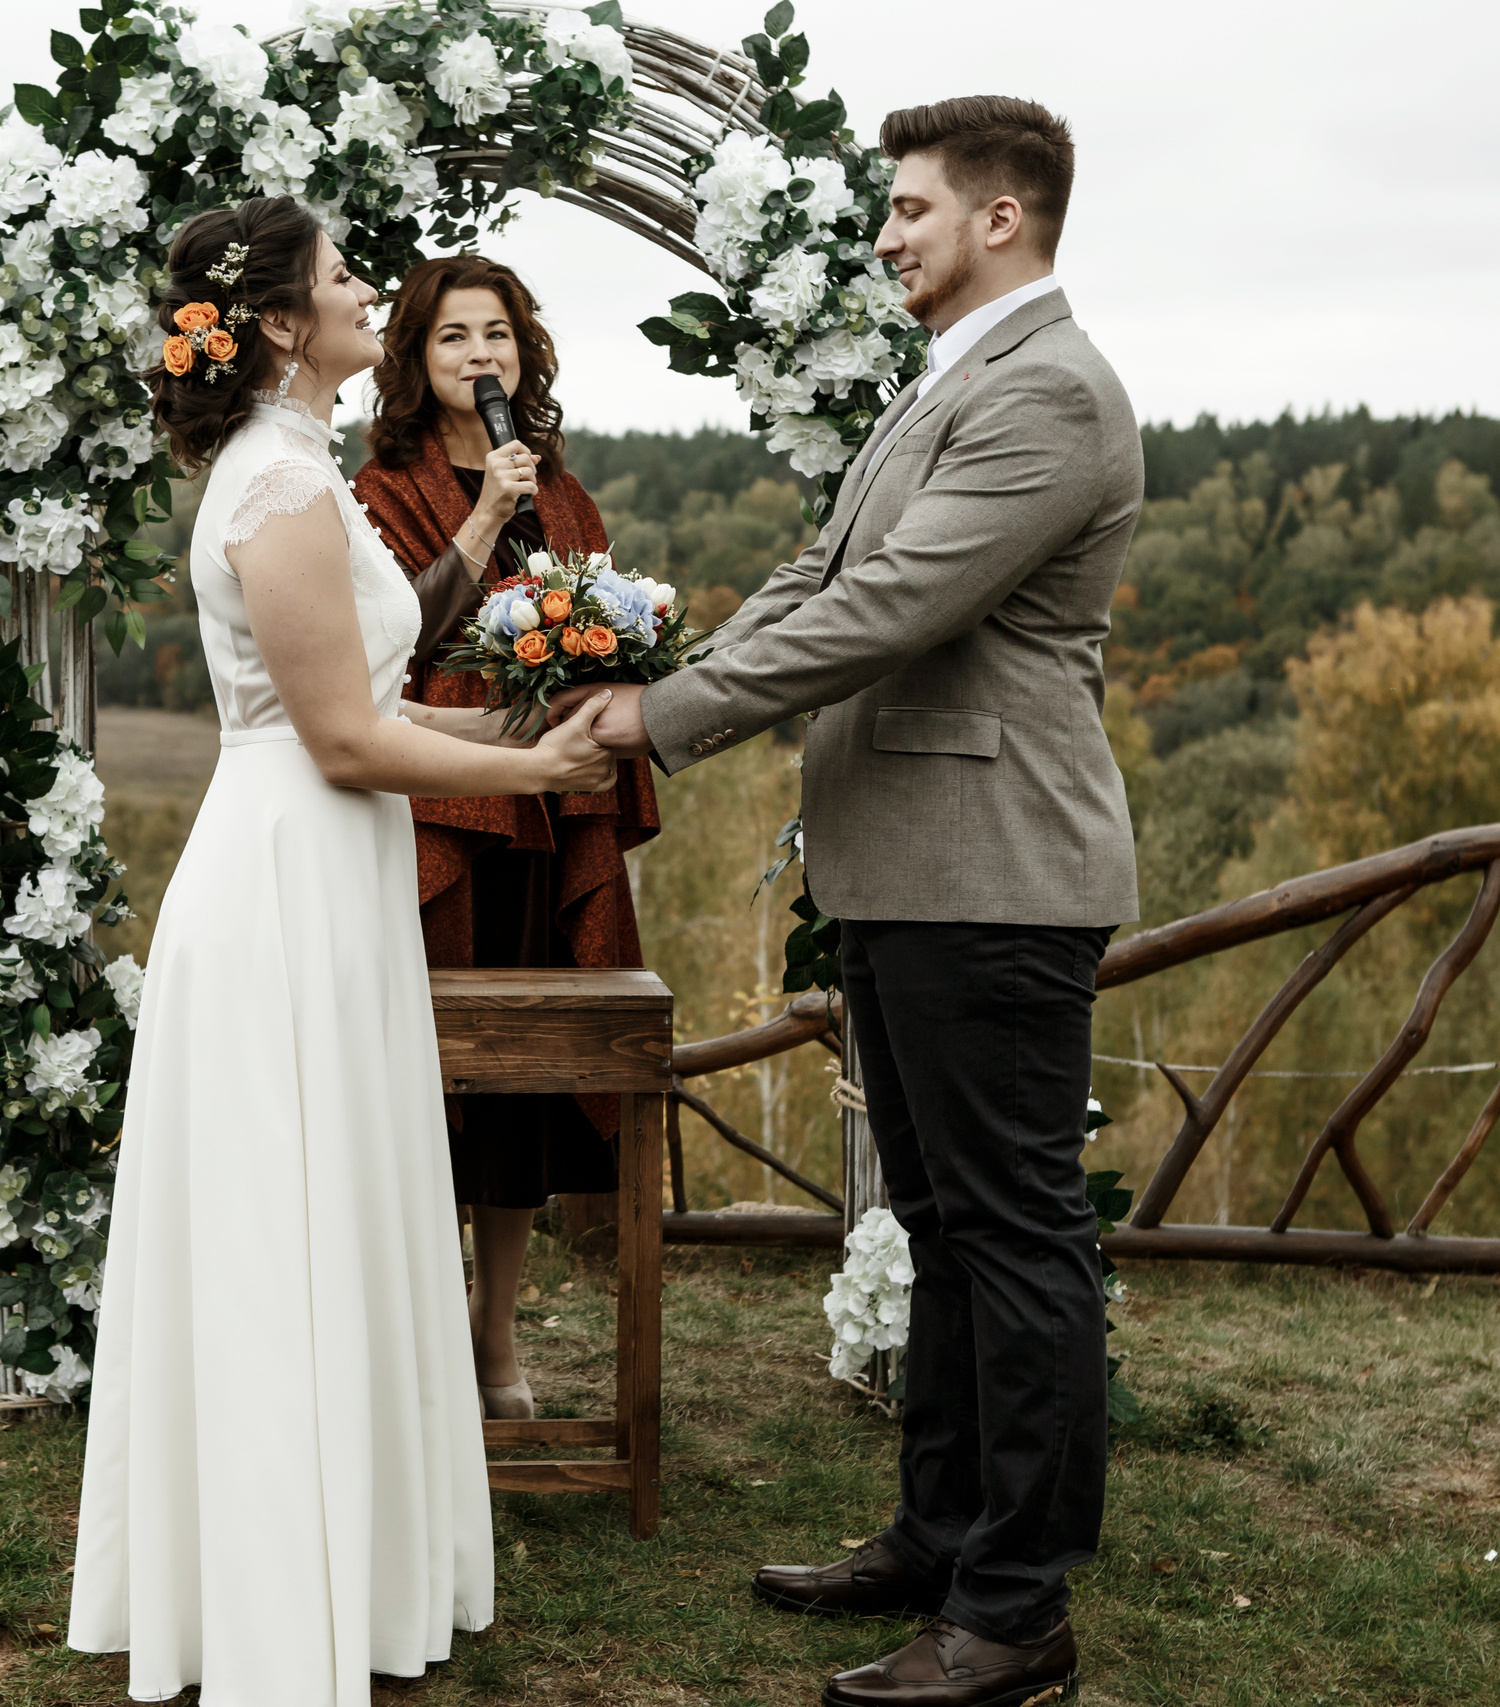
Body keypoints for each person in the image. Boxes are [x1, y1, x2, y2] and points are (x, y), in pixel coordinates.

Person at [559, 97, 1141, 1707]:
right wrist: (666, 674)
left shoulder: (1052, 391)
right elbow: (820, 575)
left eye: (908, 208)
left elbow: (894, 606)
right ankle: (940, 1534)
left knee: (1016, 1233)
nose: (884, 236)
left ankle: (1015, 1610)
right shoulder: (945, 380)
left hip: (993, 869)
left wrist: (670, 718)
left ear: (1002, 217)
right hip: (905, 866)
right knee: (943, 1224)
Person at [66, 196, 620, 1706]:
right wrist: (536, 771)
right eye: (341, 275)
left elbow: (384, 697)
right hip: (285, 879)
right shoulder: (272, 484)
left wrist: (516, 723)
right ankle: (269, 1594)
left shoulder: (301, 466)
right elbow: (338, 740)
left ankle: (349, 1566)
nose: (368, 288)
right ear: (279, 324)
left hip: (336, 866)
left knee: (339, 1203)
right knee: (279, 1224)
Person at [350, 255, 662, 1422]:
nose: (480, 355)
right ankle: (420, 1335)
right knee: (431, 1081)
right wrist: (482, 516)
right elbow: (395, 643)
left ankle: (494, 1338)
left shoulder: (563, 496)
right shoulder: (378, 490)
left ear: (524, 354)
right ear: (413, 360)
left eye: (497, 335)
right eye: (453, 337)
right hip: (437, 808)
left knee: (524, 1091)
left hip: (548, 814)